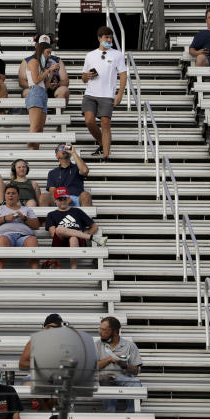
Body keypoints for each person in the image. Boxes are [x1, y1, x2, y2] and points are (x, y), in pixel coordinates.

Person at [81, 26, 127, 161]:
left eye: (111, 37)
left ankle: (106, 155)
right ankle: (102, 142)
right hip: (90, 93)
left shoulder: (117, 54)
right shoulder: (90, 55)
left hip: (107, 94)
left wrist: (120, 94)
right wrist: (87, 76)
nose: (109, 39)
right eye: (106, 37)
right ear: (99, 38)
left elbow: (123, 75)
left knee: (105, 123)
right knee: (89, 121)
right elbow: (83, 78)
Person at [46, 188, 106, 268]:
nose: (63, 201)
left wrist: (83, 237)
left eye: (65, 199)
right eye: (60, 199)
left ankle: (73, 268)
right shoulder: (51, 214)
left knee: (73, 238)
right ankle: (93, 238)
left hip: (78, 241)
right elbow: (53, 234)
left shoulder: (77, 211)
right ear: (55, 201)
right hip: (61, 241)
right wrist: (71, 232)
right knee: (59, 229)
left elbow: (94, 226)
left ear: (68, 199)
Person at [0, 183, 40, 270]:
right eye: (8, 193)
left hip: (23, 237)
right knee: (3, 239)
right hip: (5, 235)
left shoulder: (26, 209)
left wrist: (24, 218)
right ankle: (0, 274)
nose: (10, 195)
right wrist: (5, 218)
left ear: (18, 195)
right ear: (5, 195)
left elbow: (36, 225)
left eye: (13, 193)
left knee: (32, 240)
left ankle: (36, 274)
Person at [96, 316, 143, 412]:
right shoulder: (97, 344)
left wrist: (124, 365)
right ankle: (111, 413)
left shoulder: (129, 345)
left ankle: (131, 413)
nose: (100, 332)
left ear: (114, 331)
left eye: (103, 329)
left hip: (123, 378)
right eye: (100, 328)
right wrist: (110, 359)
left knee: (136, 383)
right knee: (105, 381)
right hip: (104, 378)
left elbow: (136, 371)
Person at [24, 39, 61, 149]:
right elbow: (36, 80)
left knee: (40, 129)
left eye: (50, 52)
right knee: (35, 127)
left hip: (42, 93)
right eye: (47, 52)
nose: (49, 55)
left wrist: (51, 74)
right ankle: (31, 152)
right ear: (41, 51)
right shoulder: (34, 61)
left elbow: (45, 85)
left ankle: (35, 151)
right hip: (35, 92)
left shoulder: (41, 64)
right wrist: (49, 69)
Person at [18, 34, 69, 106]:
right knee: (27, 92)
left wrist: (55, 84)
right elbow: (22, 81)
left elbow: (65, 80)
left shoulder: (56, 60)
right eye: (42, 46)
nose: (48, 53)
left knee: (63, 90)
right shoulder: (29, 61)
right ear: (37, 46)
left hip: (52, 91)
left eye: (47, 46)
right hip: (36, 89)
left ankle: (56, 116)